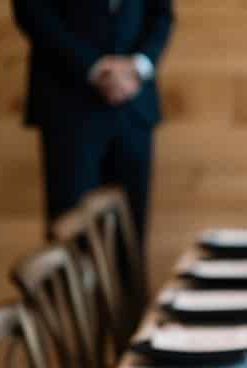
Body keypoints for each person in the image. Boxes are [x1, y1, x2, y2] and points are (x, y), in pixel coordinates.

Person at [12, 1, 174, 243]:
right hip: (68, 102)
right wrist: (95, 68)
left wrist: (138, 67)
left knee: (130, 232)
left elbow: (162, 14)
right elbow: (32, 11)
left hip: (134, 105)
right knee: (70, 230)